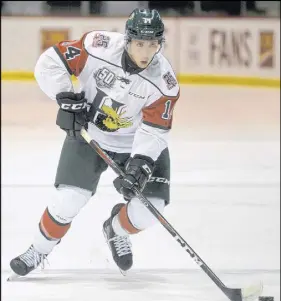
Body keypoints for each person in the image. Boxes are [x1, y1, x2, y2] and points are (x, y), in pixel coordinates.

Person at [9, 8, 180, 277]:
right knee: (68, 201)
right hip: (89, 134)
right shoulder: (97, 46)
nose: (146, 53)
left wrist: (141, 165)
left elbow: (155, 131)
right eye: (139, 43)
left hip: (134, 144)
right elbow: (49, 62)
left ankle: (116, 229)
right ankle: (38, 250)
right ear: (127, 39)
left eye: (153, 44)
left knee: (150, 210)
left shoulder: (164, 82)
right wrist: (65, 96)